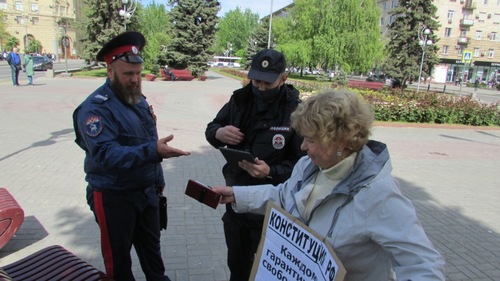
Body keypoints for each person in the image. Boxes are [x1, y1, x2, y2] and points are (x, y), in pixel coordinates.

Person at [212, 90, 446, 281]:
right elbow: (285, 195)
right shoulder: (308, 166)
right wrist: (236, 195)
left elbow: (423, 264)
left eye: (311, 140)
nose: (302, 147)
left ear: (340, 142)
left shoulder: (378, 194)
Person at [72, 31, 190, 281]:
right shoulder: (95, 109)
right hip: (114, 197)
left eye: (138, 74)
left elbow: (146, 139)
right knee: (119, 266)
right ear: (110, 71)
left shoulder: (137, 99)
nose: (135, 80)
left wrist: (157, 184)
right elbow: (106, 155)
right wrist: (154, 151)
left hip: (146, 195)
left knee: (154, 262)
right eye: (128, 74)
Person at [205, 48, 305, 281]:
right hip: (236, 200)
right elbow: (211, 128)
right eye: (256, 81)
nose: (260, 88)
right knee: (238, 269)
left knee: (267, 272)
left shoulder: (295, 111)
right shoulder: (239, 100)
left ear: (283, 78)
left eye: (267, 84)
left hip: (273, 210)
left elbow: (303, 167)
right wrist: (220, 132)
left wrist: (271, 172)